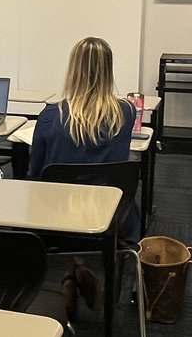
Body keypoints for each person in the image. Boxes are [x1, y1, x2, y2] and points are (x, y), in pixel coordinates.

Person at [29, 37, 139, 316]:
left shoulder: (50, 116)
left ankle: (72, 271)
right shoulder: (125, 112)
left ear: (73, 69)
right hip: (111, 216)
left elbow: (34, 176)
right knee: (82, 199)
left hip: (56, 221)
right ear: (108, 70)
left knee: (49, 201)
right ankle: (75, 272)